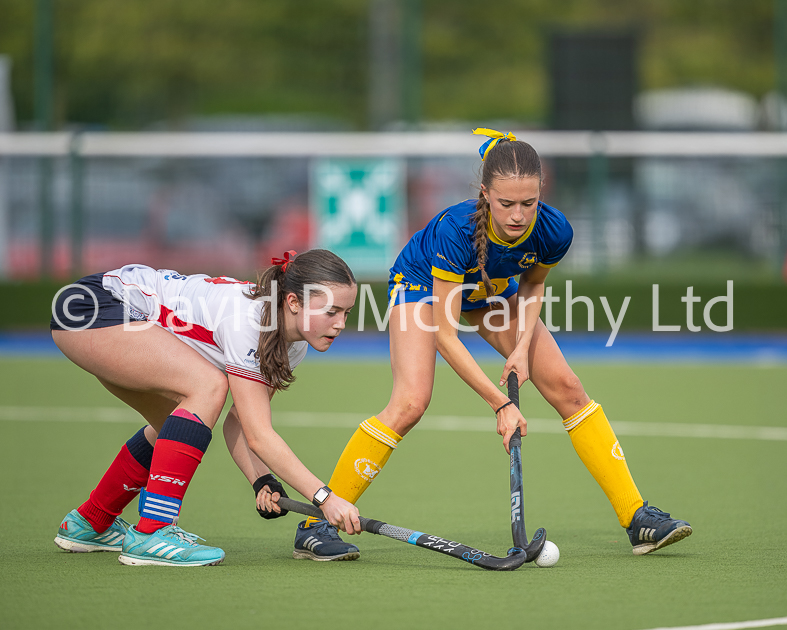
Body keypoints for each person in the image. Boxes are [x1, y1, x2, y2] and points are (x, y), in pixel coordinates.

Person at [277, 129, 692, 560]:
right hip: (421, 287)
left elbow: (533, 286)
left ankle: (637, 517)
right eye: (506, 203)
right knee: (410, 403)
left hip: (492, 291)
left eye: (528, 203)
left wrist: (520, 348)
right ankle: (315, 526)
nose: (518, 215)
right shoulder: (455, 231)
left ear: (540, 194)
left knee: (568, 388)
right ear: (484, 194)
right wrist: (501, 402)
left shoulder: (554, 230)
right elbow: (445, 332)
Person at [51, 249, 363, 567]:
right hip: (92, 307)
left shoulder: (290, 345)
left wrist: (262, 480)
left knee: (171, 427)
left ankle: (90, 522)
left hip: (108, 314)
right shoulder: (248, 320)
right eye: (331, 311)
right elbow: (260, 435)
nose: (340, 324)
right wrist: (325, 498)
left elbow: (241, 422)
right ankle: (153, 532)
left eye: (347, 313)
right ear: (294, 302)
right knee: (209, 386)